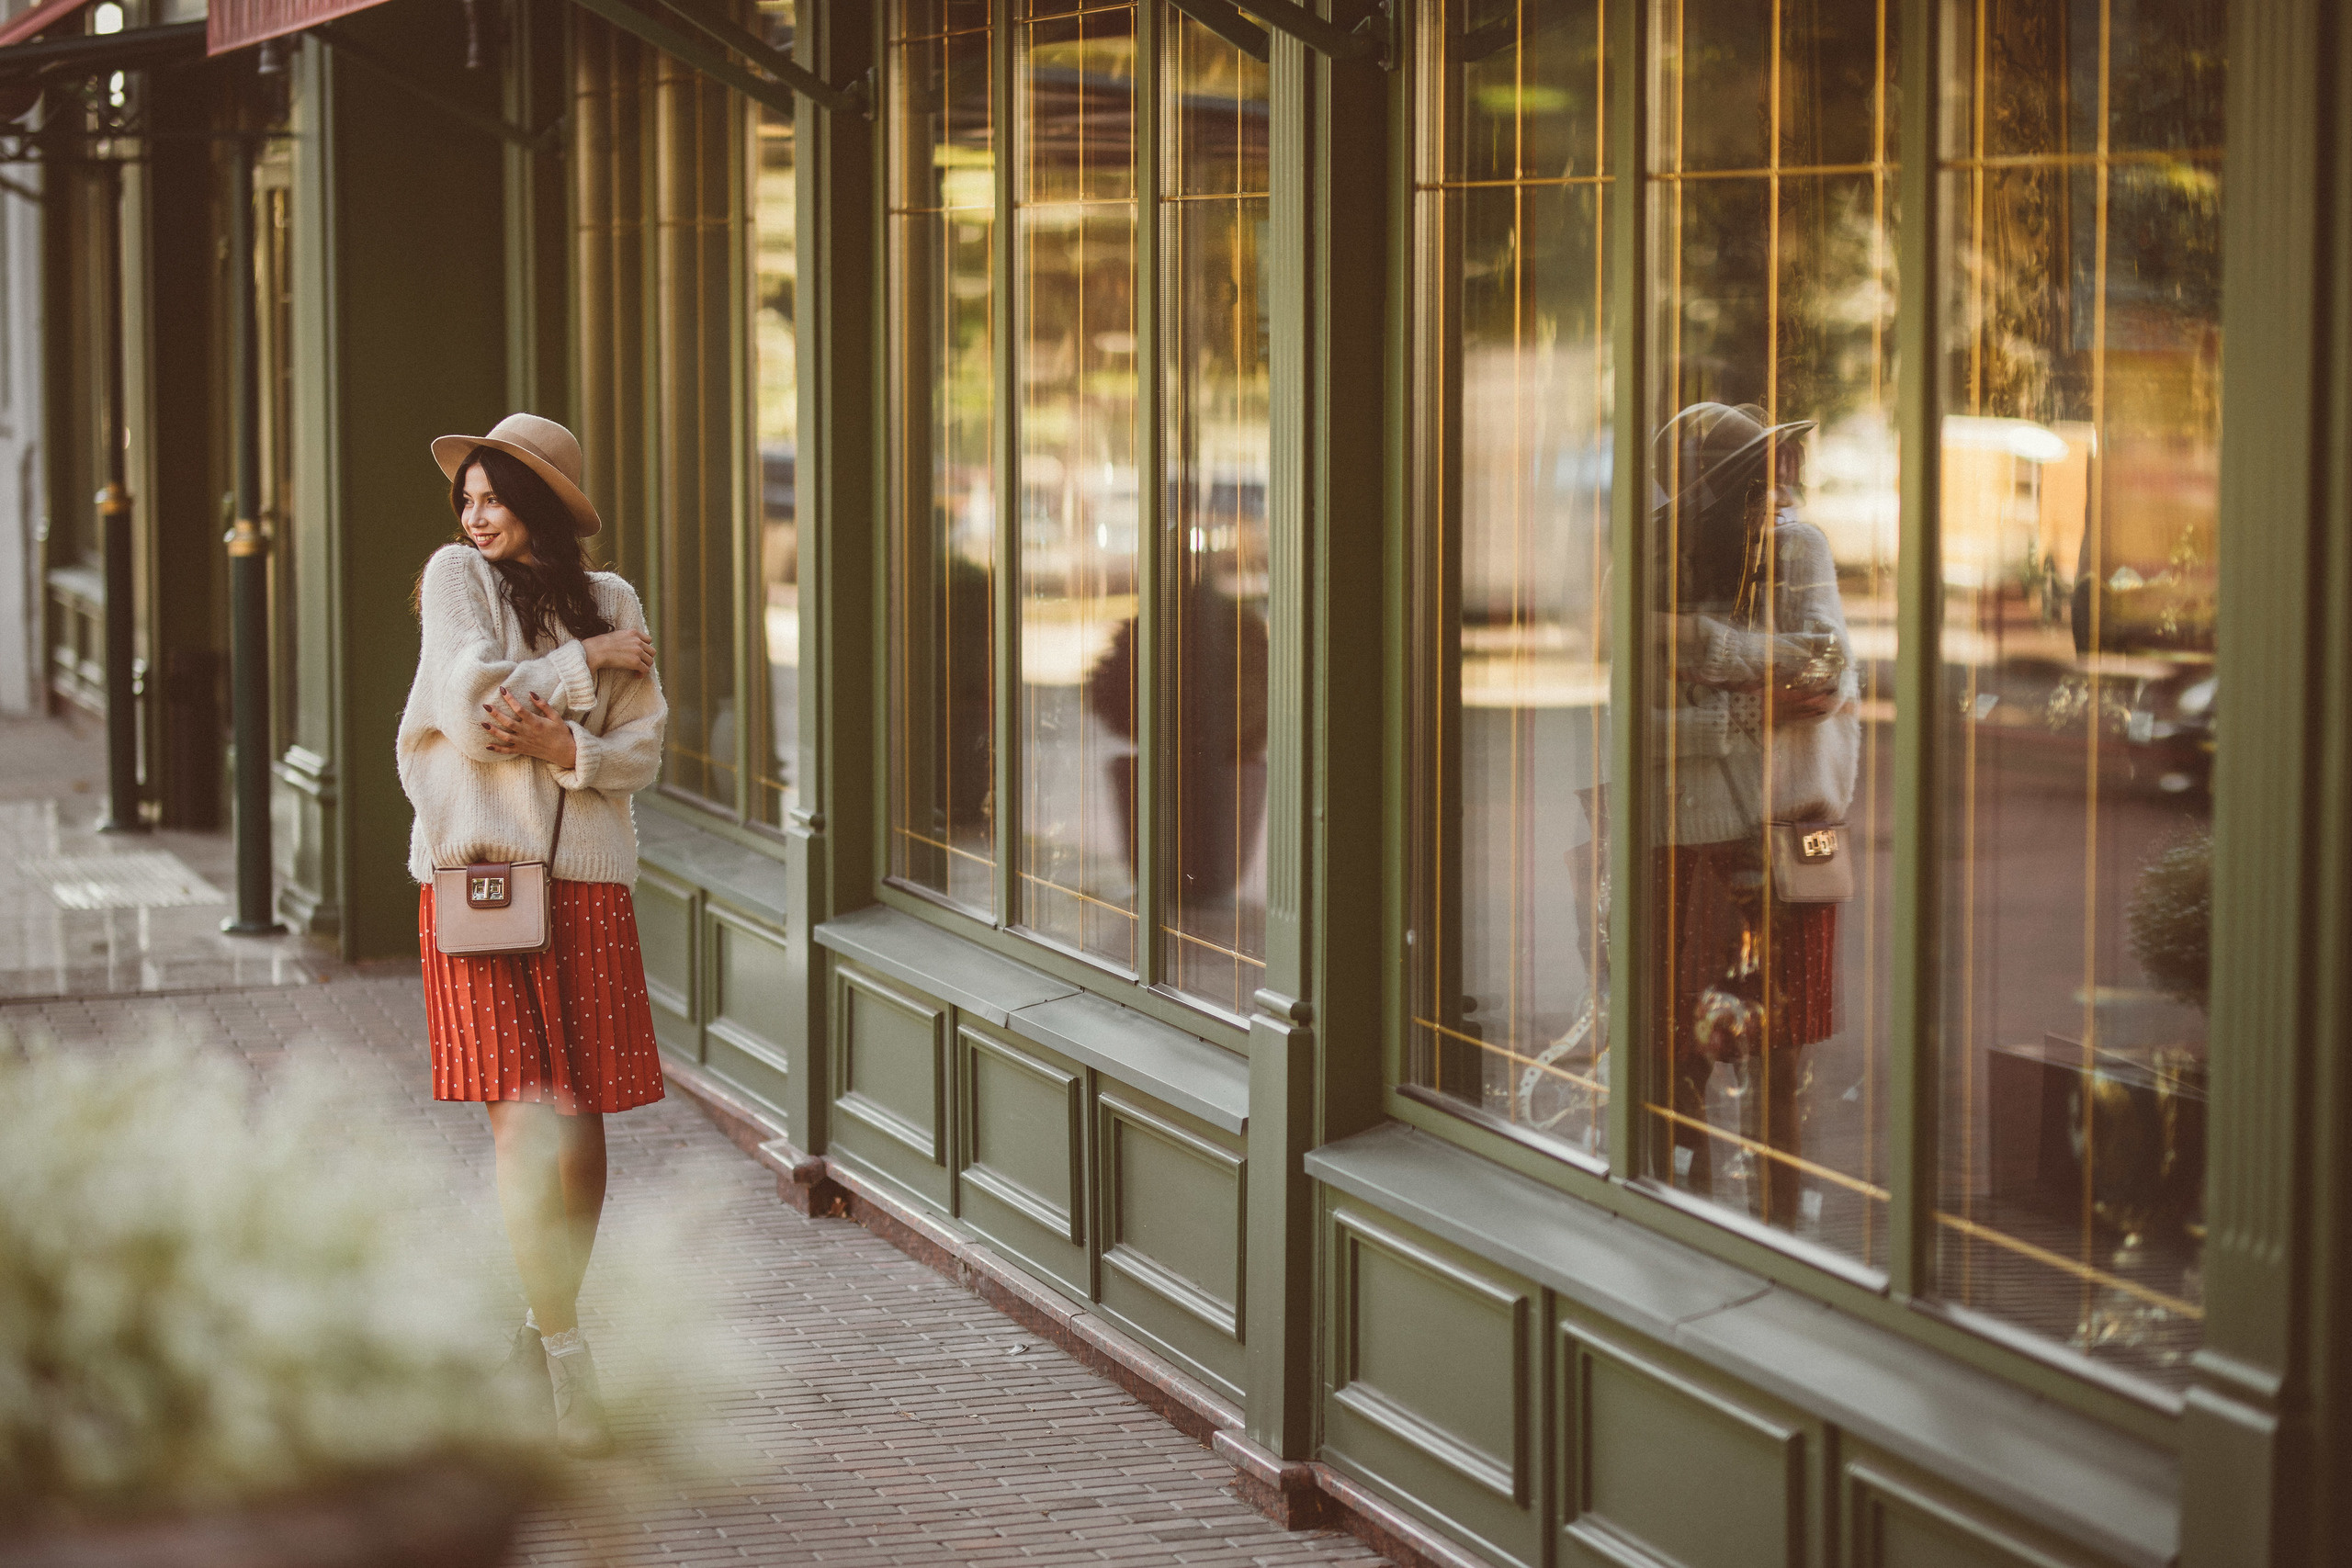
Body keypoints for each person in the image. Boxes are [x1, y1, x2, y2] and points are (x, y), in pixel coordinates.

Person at [396, 412, 668, 1455]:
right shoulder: (457, 579)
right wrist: (581, 669)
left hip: (588, 883)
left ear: (541, 502)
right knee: (524, 1120)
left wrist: (566, 750)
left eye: (493, 496)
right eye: (465, 497)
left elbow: (639, 748)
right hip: (481, 883)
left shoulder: (614, 597)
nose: (473, 515)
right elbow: (470, 712)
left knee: (581, 1119)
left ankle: (535, 1329)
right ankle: (566, 1353)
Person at [1647, 401, 1859, 1228]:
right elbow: (1629, 724)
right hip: (1684, 848)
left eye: (1778, 471)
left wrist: (1699, 643)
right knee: (1678, 1064)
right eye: (1752, 479)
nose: (1777, 493)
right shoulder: (1647, 560)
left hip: (1786, 843)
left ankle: (1776, 1237)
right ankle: (1689, 1229)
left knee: (1779, 1067)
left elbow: (1826, 677)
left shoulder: (1797, 546)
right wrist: (1738, 715)